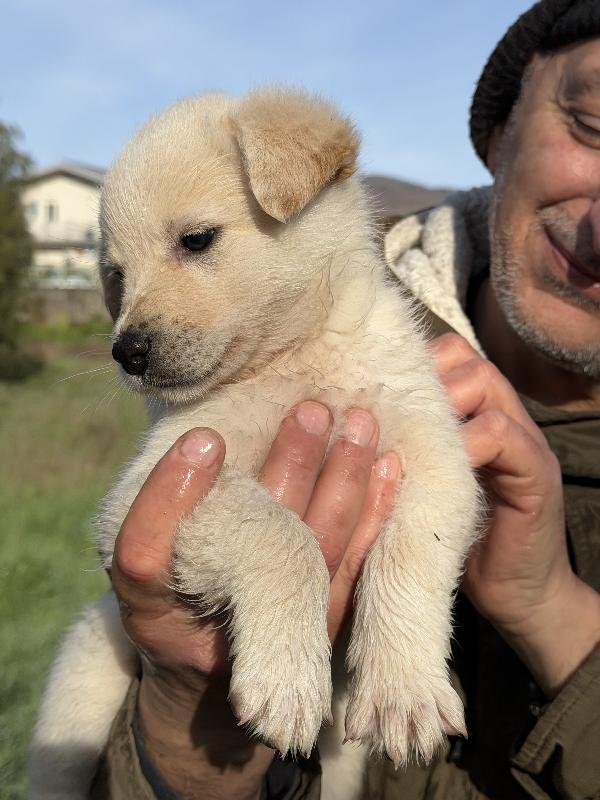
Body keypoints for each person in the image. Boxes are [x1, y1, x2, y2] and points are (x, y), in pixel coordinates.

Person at [91, 1, 600, 797]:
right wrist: (192, 702)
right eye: (593, 125)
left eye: (195, 243)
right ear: (499, 135)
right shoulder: (364, 338)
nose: (133, 323)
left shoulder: (360, 320)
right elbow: (144, 521)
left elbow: (432, 481)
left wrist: (548, 610)